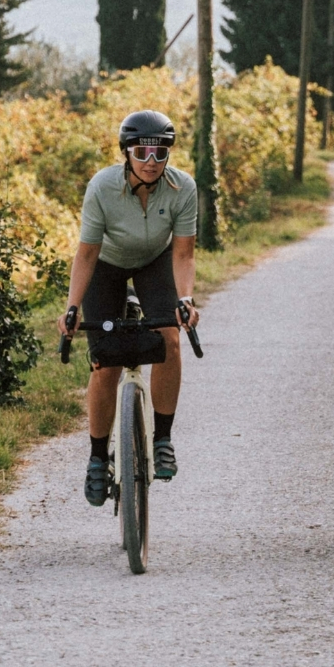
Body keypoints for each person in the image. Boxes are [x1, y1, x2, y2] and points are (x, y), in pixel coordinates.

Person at [65, 109, 201, 507]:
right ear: (126, 152)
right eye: (142, 152)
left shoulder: (183, 189)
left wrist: (186, 299)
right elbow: (86, 254)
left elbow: (184, 254)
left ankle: (162, 438)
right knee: (104, 361)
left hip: (155, 262)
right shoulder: (102, 187)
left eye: (160, 154)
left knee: (169, 338)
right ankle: (96, 459)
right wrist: (73, 308)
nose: (151, 163)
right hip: (105, 264)